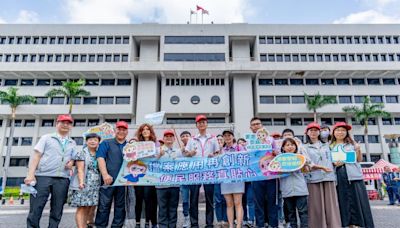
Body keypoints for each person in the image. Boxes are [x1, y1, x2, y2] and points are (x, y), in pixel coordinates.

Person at [25, 114, 77, 228]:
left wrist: (72, 162)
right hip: (43, 176)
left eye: (68, 123)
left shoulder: (72, 142)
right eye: (62, 122)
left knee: (57, 208)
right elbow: (36, 155)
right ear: (56, 124)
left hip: (63, 178)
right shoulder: (46, 138)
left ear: (71, 126)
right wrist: (30, 174)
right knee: (36, 207)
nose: (65, 125)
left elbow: (74, 159)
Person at [331, 122, 374, 228]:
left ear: (346, 133)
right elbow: (330, 161)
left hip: (354, 175)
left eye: (343, 130)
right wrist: (335, 162)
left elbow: (359, 160)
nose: (340, 132)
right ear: (333, 132)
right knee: (343, 199)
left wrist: (358, 149)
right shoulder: (330, 146)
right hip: (339, 175)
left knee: (358, 200)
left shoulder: (352, 144)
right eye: (338, 130)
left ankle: (360, 224)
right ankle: (347, 223)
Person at [184, 114, 220, 228]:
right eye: (199, 122)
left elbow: (217, 153)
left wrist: (213, 155)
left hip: (209, 171)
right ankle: (194, 224)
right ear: (196, 125)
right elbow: (186, 154)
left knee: (210, 199)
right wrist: (191, 153)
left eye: (203, 122)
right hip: (195, 171)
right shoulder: (192, 139)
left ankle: (209, 223)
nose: (201, 124)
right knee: (193, 198)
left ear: (207, 124)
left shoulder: (213, 138)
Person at [304, 122, 342, 228]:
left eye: (316, 130)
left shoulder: (327, 145)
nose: (313, 132)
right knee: (316, 205)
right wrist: (321, 168)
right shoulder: (304, 147)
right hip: (313, 178)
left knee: (331, 204)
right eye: (311, 130)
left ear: (319, 132)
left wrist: (336, 162)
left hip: (329, 177)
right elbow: (308, 163)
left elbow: (334, 158)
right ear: (307, 133)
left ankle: (334, 225)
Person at [95, 121, 129, 228]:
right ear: (115, 130)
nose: (121, 131)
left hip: (124, 182)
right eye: (119, 129)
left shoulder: (131, 146)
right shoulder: (106, 143)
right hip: (108, 180)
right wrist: (105, 174)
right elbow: (100, 158)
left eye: (124, 130)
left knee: (120, 208)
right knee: (103, 207)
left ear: (127, 132)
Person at [249, 117, 279, 228]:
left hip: (271, 175)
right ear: (250, 127)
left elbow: (276, 153)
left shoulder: (271, 139)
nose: (256, 126)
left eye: (258, 124)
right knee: (258, 202)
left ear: (262, 125)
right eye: (254, 124)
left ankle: (273, 224)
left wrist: (275, 153)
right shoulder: (249, 141)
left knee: (272, 201)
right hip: (256, 176)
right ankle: (260, 225)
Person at [70, 133, 101, 228]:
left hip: (95, 184)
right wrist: (81, 182)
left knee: (89, 207)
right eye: (90, 140)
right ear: (86, 141)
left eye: (95, 140)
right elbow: (80, 169)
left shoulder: (99, 153)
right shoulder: (82, 153)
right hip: (85, 183)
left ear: (98, 142)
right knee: (82, 207)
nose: (92, 141)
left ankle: (85, 225)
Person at [279, 138, 309, 228]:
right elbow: (276, 172)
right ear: (283, 148)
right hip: (287, 189)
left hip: (300, 189)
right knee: (291, 214)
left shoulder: (300, 157)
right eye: (287, 145)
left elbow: (306, 171)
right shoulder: (280, 159)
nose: (290, 147)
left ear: (296, 147)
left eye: (292, 145)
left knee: (303, 212)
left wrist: (304, 164)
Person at [134, 123, 158, 228]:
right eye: (143, 129)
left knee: (149, 199)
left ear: (150, 131)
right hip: (139, 175)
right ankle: (137, 222)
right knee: (139, 198)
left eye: (147, 129)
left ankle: (148, 222)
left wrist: (159, 154)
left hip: (151, 175)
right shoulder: (136, 143)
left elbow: (158, 158)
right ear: (140, 132)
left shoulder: (155, 143)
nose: (145, 131)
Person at [156, 130, 181, 228]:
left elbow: (186, 164)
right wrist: (159, 156)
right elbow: (150, 164)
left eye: (171, 136)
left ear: (174, 139)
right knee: (162, 208)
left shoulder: (179, 151)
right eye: (166, 137)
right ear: (163, 139)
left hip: (175, 184)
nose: (169, 138)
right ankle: (162, 226)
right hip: (161, 185)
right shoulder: (158, 150)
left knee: (173, 207)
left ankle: (172, 225)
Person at [220, 130, 245, 228]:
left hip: (237, 178)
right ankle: (231, 225)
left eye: (229, 135)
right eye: (225, 136)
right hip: (225, 179)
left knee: (238, 203)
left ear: (233, 136)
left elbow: (245, 160)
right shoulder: (222, 150)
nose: (227, 137)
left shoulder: (239, 147)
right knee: (229, 204)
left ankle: (238, 225)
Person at [215, 134, 228, 227]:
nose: (219, 141)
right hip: (216, 178)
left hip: (226, 178)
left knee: (226, 199)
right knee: (218, 200)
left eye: (221, 140)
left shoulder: (227, 151)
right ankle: (219, 219)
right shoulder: (213, 152)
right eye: (218, 140)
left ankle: (225, 219)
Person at [179, 130, 192, 228]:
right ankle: (186, 218)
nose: (185, 137)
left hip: (194, 178)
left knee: (194, 199)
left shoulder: (196, 148)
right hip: (183, 180)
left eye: (187, 135)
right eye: (183, 136)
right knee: (185, 200)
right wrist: (182, 152)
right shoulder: (179, 151)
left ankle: (194, 219)